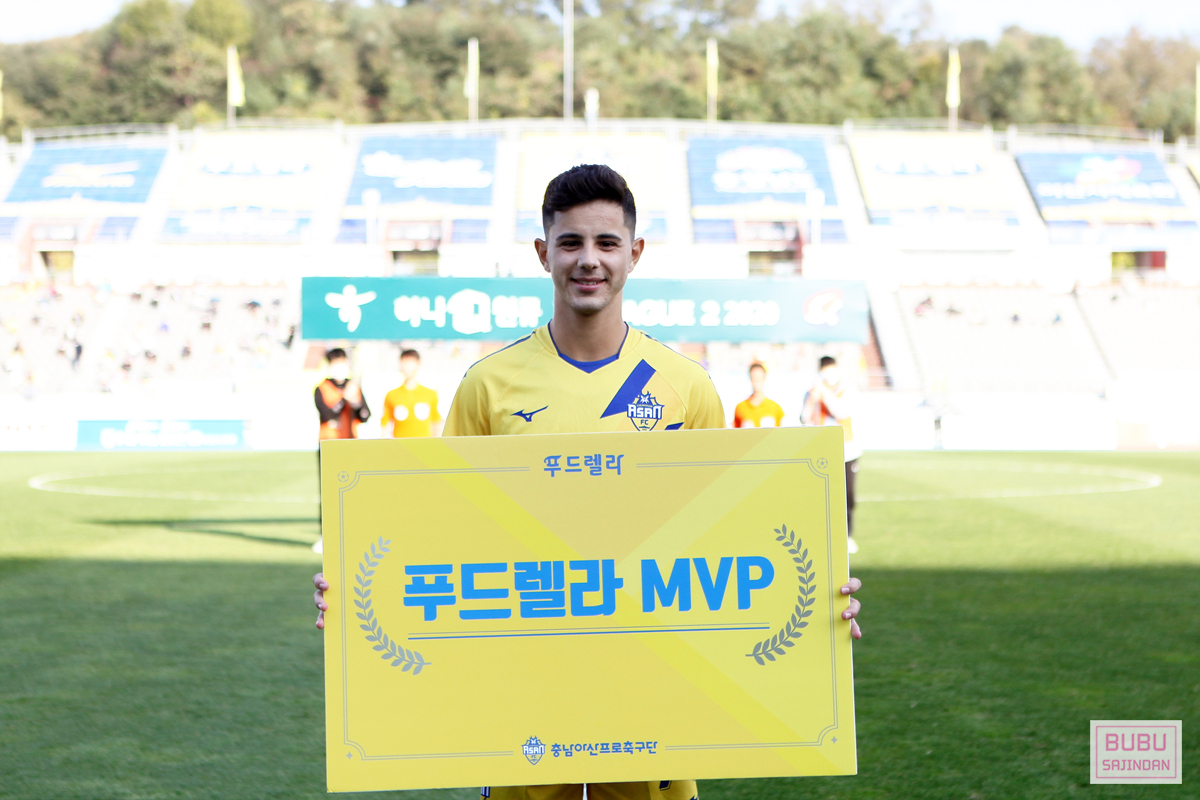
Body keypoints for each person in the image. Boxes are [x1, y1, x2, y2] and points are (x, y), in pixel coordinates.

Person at [312, 164, 863, 800]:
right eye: (570, 242)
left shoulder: (686, 388)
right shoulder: (488, 387)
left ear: (635, 252)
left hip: (655, 685)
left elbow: (733, 539)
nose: (588, 260)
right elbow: (444, 536)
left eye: (606, 242)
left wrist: (812, 599)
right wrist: (361, 595)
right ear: (543, 252)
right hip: (521, 683)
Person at [801, 355, 862, 554]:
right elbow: (804, 418)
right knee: (822, 497)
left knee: (848, 495)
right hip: (822, 452)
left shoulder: (847, 389)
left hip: (847, 450)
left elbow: (841, 412)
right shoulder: (812, 392)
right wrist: (811, 400)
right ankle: (822, 535)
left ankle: (847, 535)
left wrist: (824, 393)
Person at [312, 348, 370, 554]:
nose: (340, 367)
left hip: (350, 445)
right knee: (328, 493)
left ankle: (353, 534)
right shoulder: (321, 388)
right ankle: (325, 536)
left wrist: (356, 402)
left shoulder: (354, 387)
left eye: (342, 362)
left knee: (354, 493)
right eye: (335, 363)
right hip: (328, 445)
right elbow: (328, 414)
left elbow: (365, 415)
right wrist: (345, 399)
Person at [381, 349, 442, 438]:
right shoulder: (391, 395)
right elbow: (385, 424)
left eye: (410, 363)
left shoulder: (430, 394)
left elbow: (436, 423)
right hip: (399, 444)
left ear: (418, 364)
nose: (407, 367)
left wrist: (436, 444)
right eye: (404, 363)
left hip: (424, 444)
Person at [732, 362, 785, 428]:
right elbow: (735, 431)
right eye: (754, 378)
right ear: (750, 379)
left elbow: (782, 431)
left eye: (760, 378)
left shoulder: (775, 408)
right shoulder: (740, 407)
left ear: (764, 378)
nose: (757, 381)